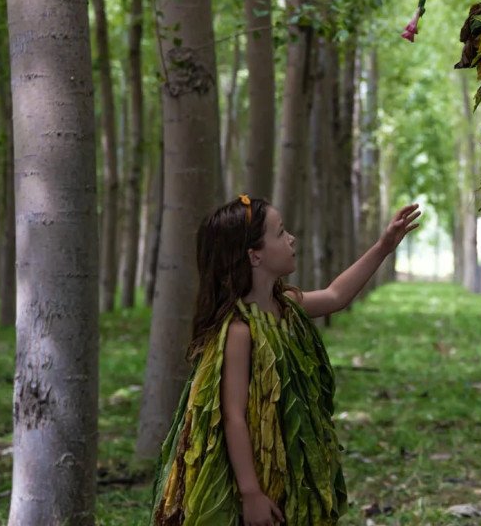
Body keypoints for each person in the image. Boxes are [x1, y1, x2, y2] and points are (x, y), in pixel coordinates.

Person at [152, 195, 422, 525]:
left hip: (284, 460)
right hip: (249, 471)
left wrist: (383, 246)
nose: (291, 238)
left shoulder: (286, 304)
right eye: (280, 233)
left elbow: (336, 295)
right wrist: (250, 492)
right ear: (254, 255)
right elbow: (232, 416)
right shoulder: (239, 330)